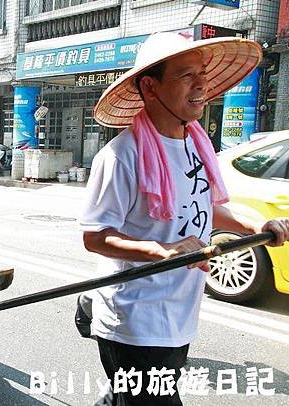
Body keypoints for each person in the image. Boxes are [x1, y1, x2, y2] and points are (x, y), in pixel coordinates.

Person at [79, 32, 289, 405]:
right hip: (135, 320)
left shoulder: (196, 144)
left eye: (202, 74)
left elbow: (203, 206)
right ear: (150, 85)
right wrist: (162, 250)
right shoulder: (120, 156)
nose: (202, 84)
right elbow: (95, 236)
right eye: (185, 75)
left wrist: (254, 226)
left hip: (179, 313)